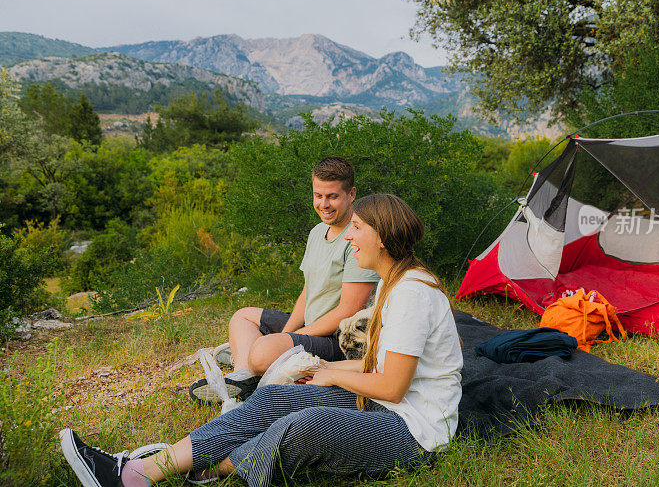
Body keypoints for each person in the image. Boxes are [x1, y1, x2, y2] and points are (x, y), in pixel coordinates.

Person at [60, 193, 463, 487]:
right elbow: (380, 364)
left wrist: (333, 376)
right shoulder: (396, 285)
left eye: (357, 228)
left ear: (384, 236)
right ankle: (134, 473)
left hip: (415, 430)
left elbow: (393, 385)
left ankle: (214, 468)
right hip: (386, 404)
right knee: (273, 399)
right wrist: (323, 369)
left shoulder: (411, 293)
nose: (348, 237)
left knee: (302, 426)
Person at [189, 156, 380, 404]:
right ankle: (244, 378)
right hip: (311, 327)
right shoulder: (317, 232)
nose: (324, 204)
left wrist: (289, 339)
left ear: (351, 194)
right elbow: (307, 292)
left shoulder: (356, 237)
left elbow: (349, 310)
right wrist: (289, 333)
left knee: (263, 352)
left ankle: (251, 369)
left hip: (337, 341)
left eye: (332, 196)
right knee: (242, 316)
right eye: (318, 195)